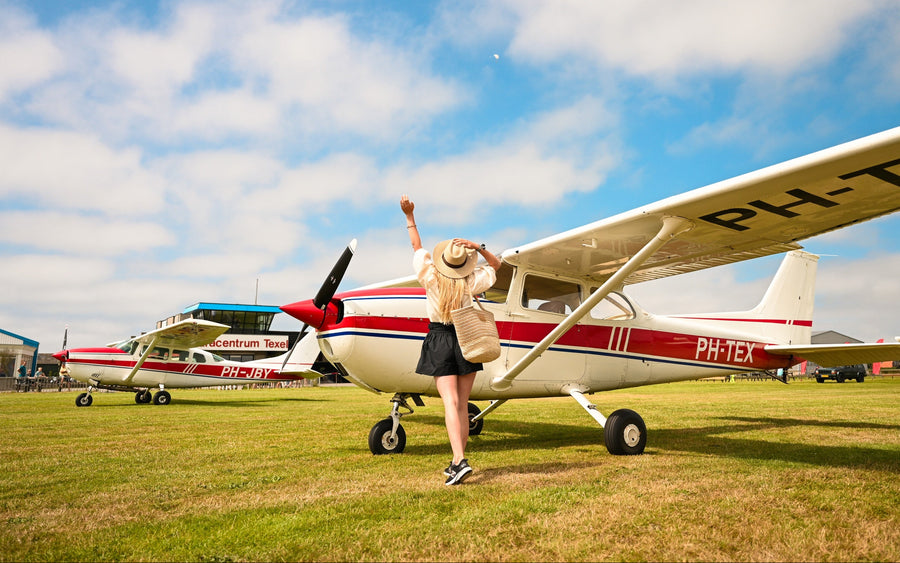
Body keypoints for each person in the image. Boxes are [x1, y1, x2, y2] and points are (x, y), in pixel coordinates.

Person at [400, 194, 501, 485]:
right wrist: (479, 248)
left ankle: (459, 460)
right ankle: (458, 459)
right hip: (466, 338)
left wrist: (409, 217)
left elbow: (417, 247)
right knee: (462, 404)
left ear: (443, 261)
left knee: (451, 403)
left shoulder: (430, 277)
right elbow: (496, 266)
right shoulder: (470, 282)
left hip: (441, 338)